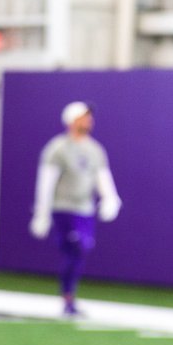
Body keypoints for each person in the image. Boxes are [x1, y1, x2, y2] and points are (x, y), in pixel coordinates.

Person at [30, 101, 122, 316]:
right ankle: (68, 298)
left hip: (85, 210)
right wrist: (41, 213)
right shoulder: (58, 148)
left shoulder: (95, 149)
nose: (89, 121)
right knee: (76, 249)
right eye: (84, 117)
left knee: (81, 251)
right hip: (65, 209)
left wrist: (110, 198)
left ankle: (69, 297)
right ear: (72, 120)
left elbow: (101, 177)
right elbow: (46, 183)